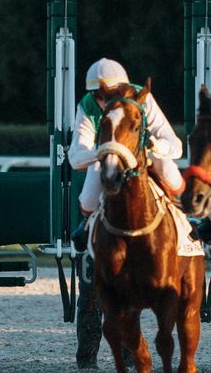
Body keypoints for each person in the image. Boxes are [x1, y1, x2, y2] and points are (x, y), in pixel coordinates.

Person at [68, 58, 186, 252]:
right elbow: (75, 158)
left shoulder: (142, 98)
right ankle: (88, 224)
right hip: (108, 162)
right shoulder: (87, 106)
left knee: (165, 166)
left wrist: (152, 145)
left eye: (111, 93)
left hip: (142, 160)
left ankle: (185, 214)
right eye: (99, 95)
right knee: (89, 196)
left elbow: (175, 146)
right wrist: (108, 150)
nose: (104, 100)